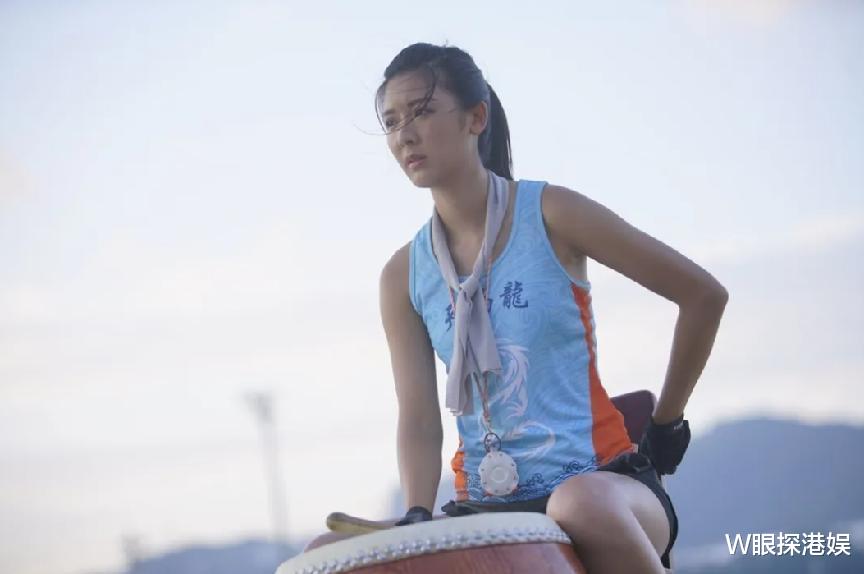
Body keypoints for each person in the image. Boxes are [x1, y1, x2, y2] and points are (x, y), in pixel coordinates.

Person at [376, 42, 728, 574]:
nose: (405, 134)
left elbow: (703, 296)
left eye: (422, 111)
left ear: (476, 118)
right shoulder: (402, 274)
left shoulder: (550, 212)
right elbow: (421, 418)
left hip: (606, 488)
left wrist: (665, 427)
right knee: (329, 553)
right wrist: (418, 514)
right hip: (486, 508)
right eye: (391, 121)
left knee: (577, 503)